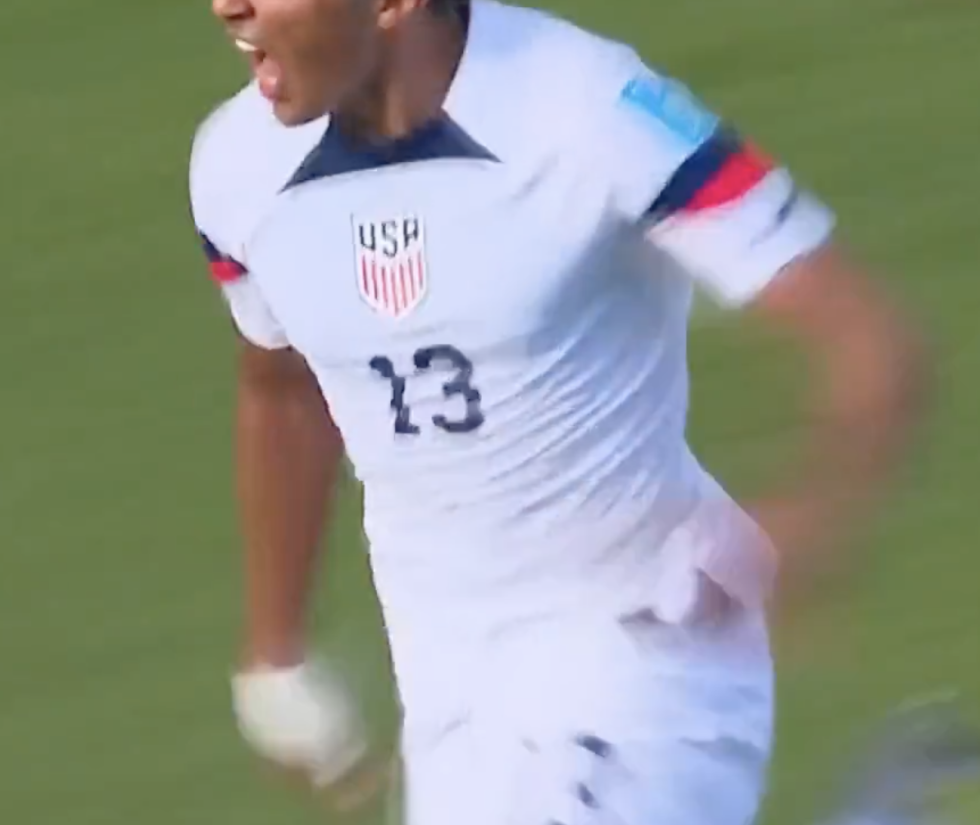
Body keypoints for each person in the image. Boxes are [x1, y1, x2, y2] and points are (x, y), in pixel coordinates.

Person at [188, 0, 929, 822]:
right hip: (450, 690)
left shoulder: (589, 111)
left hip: (648, 651)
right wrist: (276, 651)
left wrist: (813, 517)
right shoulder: (236, 170)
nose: (227, 5)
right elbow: (283, 388)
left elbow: (868, 336)